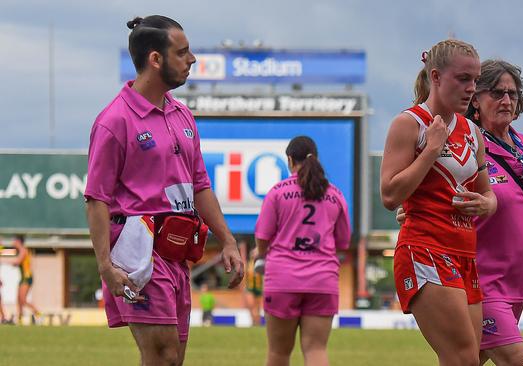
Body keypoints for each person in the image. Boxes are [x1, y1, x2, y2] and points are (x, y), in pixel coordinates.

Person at [398, 59, 523, 365]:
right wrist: (411, 209)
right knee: (520, 362)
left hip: (516, 281)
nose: (507, 100)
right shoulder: (465, 145)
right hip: (479, 278)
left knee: (466, 361)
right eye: (497, 92)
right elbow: (426, 190)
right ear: (475, 99)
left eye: (513, 93)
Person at [84, 15, 244, 366]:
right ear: (155, 59)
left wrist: (228, 240)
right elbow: (96, 199)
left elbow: (200, 185)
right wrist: (105, 268)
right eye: (182, 52)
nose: (192, 60)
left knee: (172, 360)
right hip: (138, 252)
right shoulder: (114, 121)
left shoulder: (182, 115)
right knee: (164, 356)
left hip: (177, 251)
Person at [380, 39, 497, 366]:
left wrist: (486, 205)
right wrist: (431, 149)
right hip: (425, 249)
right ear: (435, 76)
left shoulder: (474, 132)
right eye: (462, 79)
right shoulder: (409, 123)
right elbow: (389, 195)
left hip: (464, 252)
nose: (471, 88)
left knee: (469, 358)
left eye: (475, 80)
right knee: (462, 359)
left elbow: (489, 196)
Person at [255, 136, 351, 366]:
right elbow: (344, 242)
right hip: (322, 281)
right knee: (316, 350)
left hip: (282, 279)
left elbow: (262, 237)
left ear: (289, 160)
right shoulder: (336, 195)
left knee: (279, 353)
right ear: (315, 159)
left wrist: (261, 255)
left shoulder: (277, 192)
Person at [11, 235, 40, 325]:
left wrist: (4, 261)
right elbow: (2, 252)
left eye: (14, 241)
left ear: (18, 242)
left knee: (23, 300)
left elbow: (17, 262)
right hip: (23, 278)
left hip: (27, 277)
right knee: (19, 300)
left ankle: (38, 314)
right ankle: (19, 319)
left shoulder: (23, 250)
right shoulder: (17, 251)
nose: (12, 243)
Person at [242, 246, 264, 326]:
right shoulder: (248, 264)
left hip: (259, 287)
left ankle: (257, 323)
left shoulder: (262, 263)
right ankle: (253, 321)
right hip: (250, 287)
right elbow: (244, 276)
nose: (254, 254)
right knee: (251, 306)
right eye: (253, 252)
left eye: (256, 252)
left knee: (257, 307)